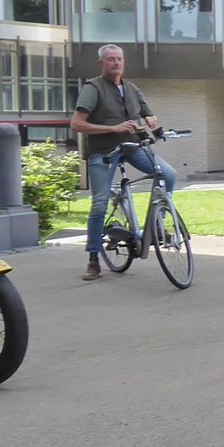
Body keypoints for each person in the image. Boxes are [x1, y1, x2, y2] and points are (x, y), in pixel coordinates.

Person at [70, 44, 178, 282]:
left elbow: (147, 113)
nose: (116, 63)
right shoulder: (93, 88)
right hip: (104, 151)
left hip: (132, 147)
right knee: (99, 204)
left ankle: (157, 225)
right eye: (110, 59)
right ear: (101, 63)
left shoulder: (131, 88)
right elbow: (76, 124)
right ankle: (93, 258)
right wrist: (112, 128)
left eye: (119, 59)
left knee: (168, 175)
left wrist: (150, 119)